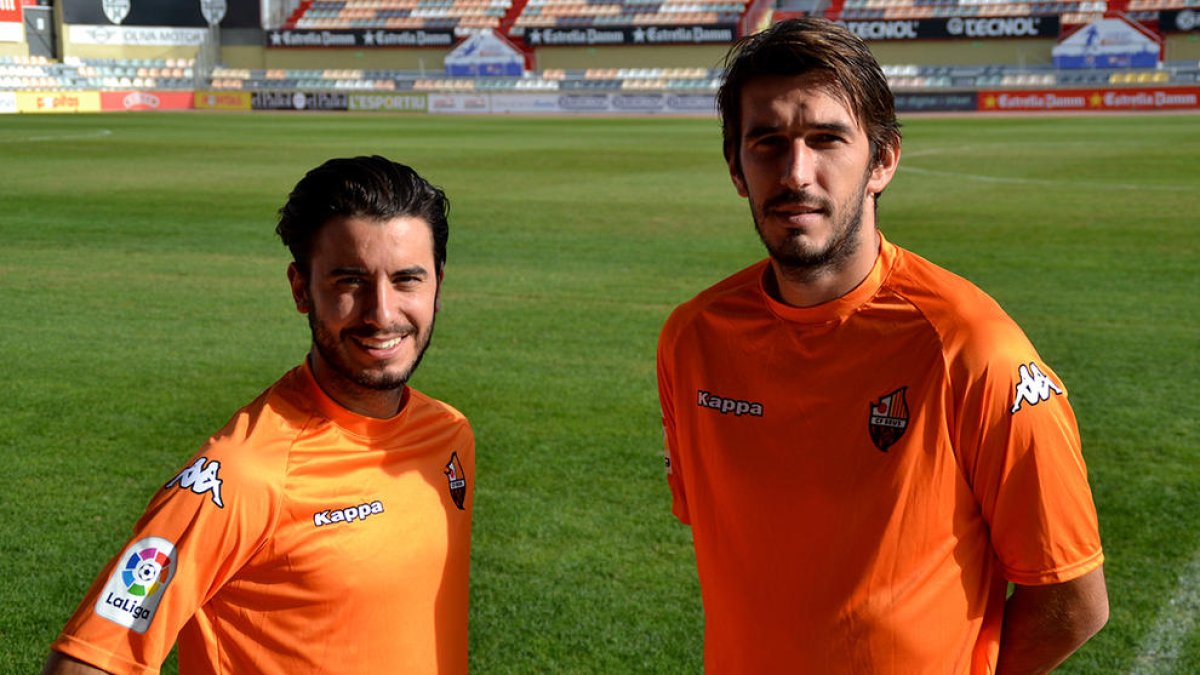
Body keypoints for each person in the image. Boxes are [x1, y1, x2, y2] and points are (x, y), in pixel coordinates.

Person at [656, 18, 1108, 674]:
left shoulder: (974, 348)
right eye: (767, 142)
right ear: (736, 166)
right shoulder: (692, 340)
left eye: (827, 139)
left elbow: (1072, 599)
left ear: (883, 160)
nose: (795, 172)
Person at [43, 156, 474, 674]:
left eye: (407, 280)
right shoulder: (244, 474)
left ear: (438, 287)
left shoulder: (448, 435)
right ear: (300, 288)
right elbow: (86, 664)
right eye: (349, 281)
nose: (382, 313)